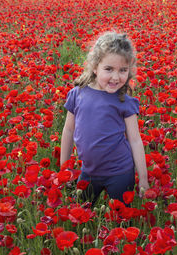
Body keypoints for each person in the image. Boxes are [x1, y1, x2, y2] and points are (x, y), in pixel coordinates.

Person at [60, 32, 150, 206]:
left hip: (120, 173)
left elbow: (135, 140)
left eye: (123, 70)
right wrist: (65, 167)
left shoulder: (125, 101)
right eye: (109, 69)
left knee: (122, 218)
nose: (116, 77)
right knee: (81, 212)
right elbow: (68, 130)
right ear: (95, 67)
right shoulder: (77, 94)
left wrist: (143, 179)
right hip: (88, 172)